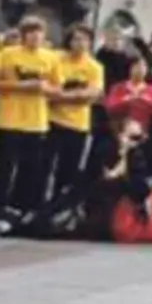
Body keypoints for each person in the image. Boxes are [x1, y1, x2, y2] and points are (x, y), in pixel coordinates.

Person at [0, 17, 59, 216]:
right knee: (4, 167)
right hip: (10, 119)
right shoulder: (7, 54)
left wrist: (45, 88)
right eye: (31, 32)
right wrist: (23, 86)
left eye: (39, 32)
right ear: (23, 35)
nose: (35, 36)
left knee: (30, 169)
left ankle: (23, 208)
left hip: (36, 122)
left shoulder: (51, 58)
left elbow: (57, 89)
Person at [47, 26, 105, 208]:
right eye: (76, 39)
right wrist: (75, 95)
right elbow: (48, 89)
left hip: (77, 124)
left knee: (69, 170)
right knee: (45, 166)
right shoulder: (56, 60)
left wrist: (62, 96)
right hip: (52, 120)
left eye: (84, 40)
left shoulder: (94, 67)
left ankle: (61, 206)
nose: (80, 44)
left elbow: (92, 94)